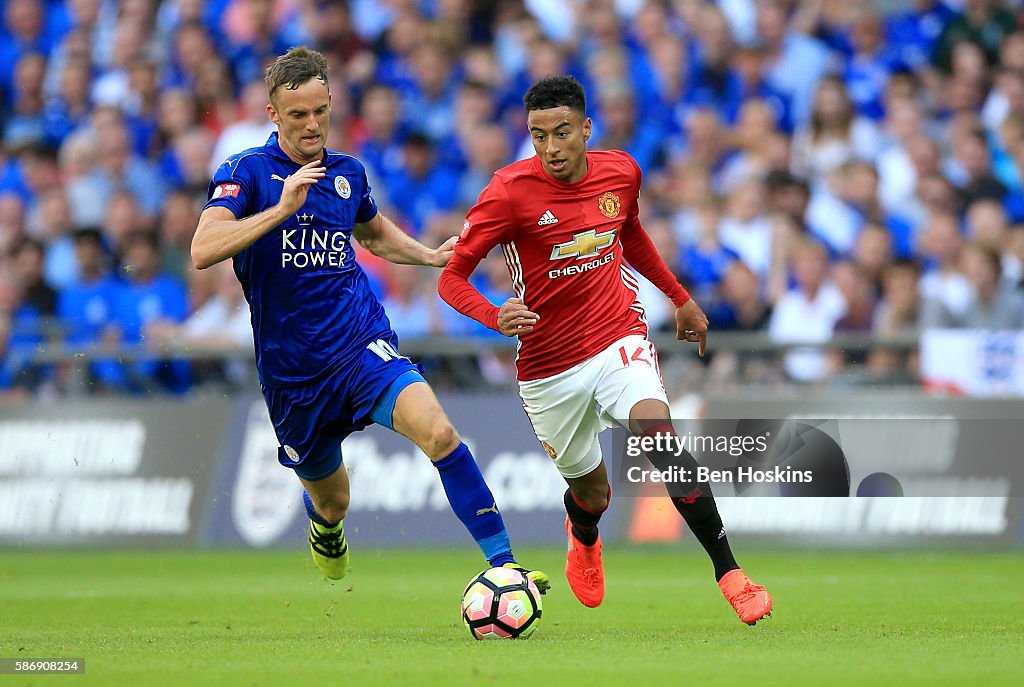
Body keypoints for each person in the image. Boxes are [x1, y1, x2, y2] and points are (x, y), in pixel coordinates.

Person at [191, 46, 548, 591]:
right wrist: (281, 211)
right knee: (334, 500)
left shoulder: (347, 174)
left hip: (362, 346)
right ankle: (326, 528)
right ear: (273, 115)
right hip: (294, 377)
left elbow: (373, 232)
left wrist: (428, 255)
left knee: (441, 432)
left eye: (320, 111)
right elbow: (202, 248)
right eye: (297, 115)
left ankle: (504, 567)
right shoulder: (248, 173)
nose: (312, 125)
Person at [438, 76, 772, 625]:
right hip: (547, 367)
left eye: (562, 132)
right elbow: (452, 278)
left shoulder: (621, 172)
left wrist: (680, 297)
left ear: (585, 129)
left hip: (616, 333)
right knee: (593, 493)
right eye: (538, 136)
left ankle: (731, 574)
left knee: (661, 442)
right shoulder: (508, 191)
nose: (550, 148)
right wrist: (494, 314)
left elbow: (630, 232)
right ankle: (585, 533)